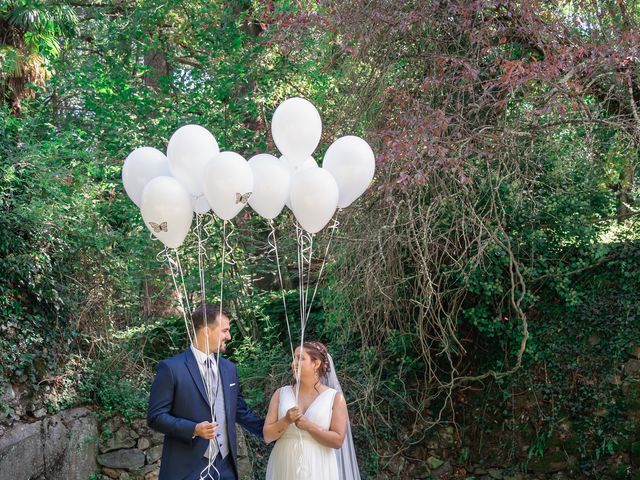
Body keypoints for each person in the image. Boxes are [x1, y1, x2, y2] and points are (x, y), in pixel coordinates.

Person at [147, 304, 265, 480]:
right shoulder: (171, 368)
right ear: (207, 331)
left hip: (226, 468)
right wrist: (193, 429)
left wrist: (273, 430)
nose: (229, 336)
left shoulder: (229, 369)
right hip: (186, 469)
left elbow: (240, 412)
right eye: (225, 331)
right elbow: (156, 417)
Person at [263, 341, 360, 480]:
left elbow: (338, 441)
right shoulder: (281, 393)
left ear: (316, 363)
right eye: (294, 358)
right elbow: (267, 435)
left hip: (319, 464)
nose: (293, 363)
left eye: (300, 358)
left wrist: (309, 426)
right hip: (284, 462)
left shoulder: (335, 398)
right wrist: (286, 420)